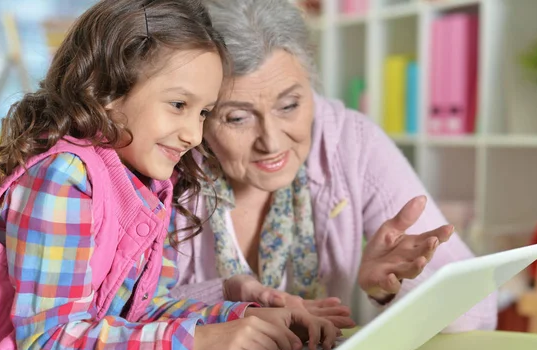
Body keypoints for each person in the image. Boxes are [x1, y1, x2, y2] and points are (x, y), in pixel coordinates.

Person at [0, 1, 337, 350]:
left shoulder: (143, 184)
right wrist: (196, 342)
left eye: (203, 113)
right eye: (179, 105)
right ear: (105, 91)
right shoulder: (63, 177)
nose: (194, 135)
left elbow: (141, 311)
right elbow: (49, 340)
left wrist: (248, 319)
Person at [169, 0, 497, 331]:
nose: (271, 141)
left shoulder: (350, 143)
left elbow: (479, 309)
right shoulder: (166, 158)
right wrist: (225, 297)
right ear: (201, 112)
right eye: (238, 118)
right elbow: (122, 312)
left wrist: (392, 288)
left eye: (289, 105)